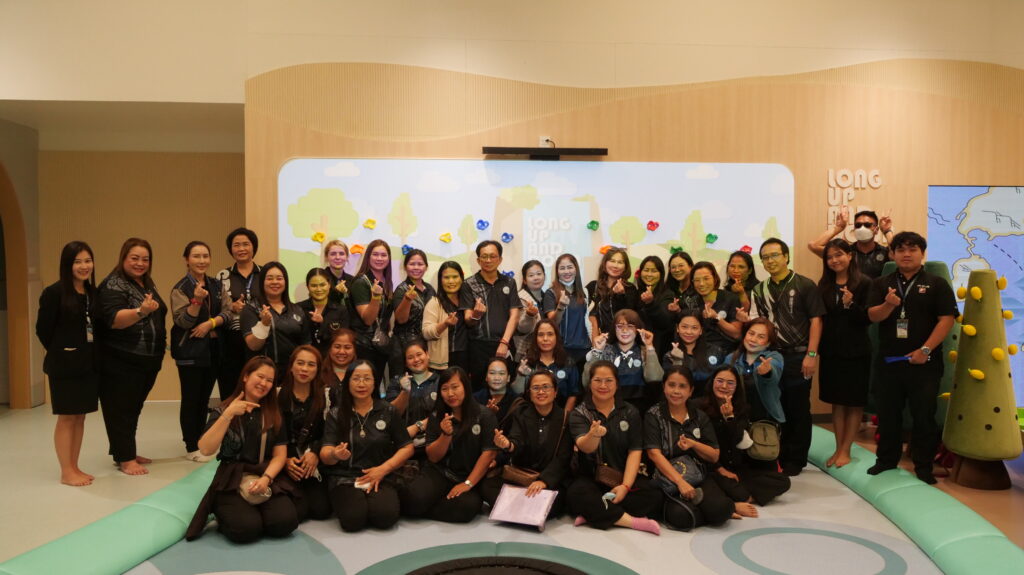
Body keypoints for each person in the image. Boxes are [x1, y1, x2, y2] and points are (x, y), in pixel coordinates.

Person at [866, 231, 956, 484]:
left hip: (925, 363)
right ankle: (886, 460)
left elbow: (946, 319)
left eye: (913, 249)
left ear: (922, 254)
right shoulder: (881, 283)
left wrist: (925, 350)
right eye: (901, 249)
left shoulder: (937, 284)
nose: (906, 254)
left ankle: (924, 467)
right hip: (889, 362)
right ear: (893, 253)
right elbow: (872, 316)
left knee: (924, 415)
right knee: (888, 414)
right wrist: (889, 304)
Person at [186, 357, 298, 543]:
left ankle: (255, 510)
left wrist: (266, 479)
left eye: (269, 380)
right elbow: (205, 449)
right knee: (246, 530)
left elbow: (280, 456)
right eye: (260, 376)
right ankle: (225, 509)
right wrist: (228, 415)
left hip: (263, 474)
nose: (264, 383)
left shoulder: (274, 413)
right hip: (231, 477)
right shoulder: (224, 409)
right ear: (246, 376)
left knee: (284, 523)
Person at [742, 237, 825, 476]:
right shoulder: (759, 290)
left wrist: (811, 354)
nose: (770, 261)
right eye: (765, 257)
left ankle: (796, 459)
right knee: (773, 406)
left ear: (786, 256)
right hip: (770, 357)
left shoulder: (805, 285)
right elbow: (758, 323)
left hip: (799, 356)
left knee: (798, 408)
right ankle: (775, 454)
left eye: (774, 255)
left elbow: (816, 321)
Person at [566, 361, 662, 535]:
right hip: (591, 479)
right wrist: (593, 435)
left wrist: (625, 486)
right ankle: (632, 522)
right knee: (575, 493)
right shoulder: (579, 413)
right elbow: (585, 447)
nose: (603, 386)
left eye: (609, 380)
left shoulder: (630, 412)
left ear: (617, 384)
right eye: (597, 380)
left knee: (654, 494)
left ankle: (595, 513)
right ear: (589, 383)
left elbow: (635, 451)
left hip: (621, 477)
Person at [97, 238, 167, 475]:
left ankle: (126, 451)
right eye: (134, 258)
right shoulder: (113, 284)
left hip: (147, 359)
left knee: (133, 408)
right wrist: (141, 311)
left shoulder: (145, 282)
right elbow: (114, 320)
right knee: (120, 410)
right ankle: (125, 459)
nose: (140, 263)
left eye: (145, 259)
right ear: (123, 258)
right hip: (121, 359)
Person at [320, 360, 414, 532]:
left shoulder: (388, 411)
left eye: (367, 378)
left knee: (385, 517)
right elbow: (325, 453)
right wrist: (335, 454)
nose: (361, 384)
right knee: (353, 520)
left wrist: (383, 469)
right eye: (356, 378)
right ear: (348, 382)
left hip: (381, 475)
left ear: (374, 382)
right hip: (345, 478)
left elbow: (407, 447)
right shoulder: (336, 414)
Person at [399, 367, 502, 522]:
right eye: (445, 389)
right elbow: (433, 457)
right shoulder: (437, 415)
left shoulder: (485, 415)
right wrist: (445, 435)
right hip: (439, 472)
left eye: (455, 387)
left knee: (468, 507)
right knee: (414, 498)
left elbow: (488, 454)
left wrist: (467, 483)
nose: (450, 393)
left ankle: (426, 507)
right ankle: (424, 504)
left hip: (468, 475)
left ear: (465, 387)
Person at [36, 241, 100, 486]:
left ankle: (75, 466)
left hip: (88, 363)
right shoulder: (54, 293)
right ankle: (66, 471)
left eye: (88, 260)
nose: (84, 266)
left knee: (80, 416)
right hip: (64, 365)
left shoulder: (92, 293)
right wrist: (64, 350)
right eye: (78, 262)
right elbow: (43, 330)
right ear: (67, 264)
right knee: (66, 417)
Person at [645, 366, 734, 531]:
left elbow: (714, 456)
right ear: (664, 387)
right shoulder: (654, 415)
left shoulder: (699, 416)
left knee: (722, 510)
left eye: (682, 386)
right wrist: (680, 482)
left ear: (691, 391)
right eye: (671, 385)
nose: (676, 391)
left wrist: (694, 444)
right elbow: (654, 454)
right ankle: (702, 510)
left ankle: (709, 509)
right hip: (668, 479)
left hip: (699, 475)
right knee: (682, 517)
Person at [698, 365, 790, 512]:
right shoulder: (698, 407)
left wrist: (730, 418)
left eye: (730, 383)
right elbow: (699, 447)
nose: (724, 386)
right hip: (712, 468)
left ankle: (742, 496)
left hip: (736, 468)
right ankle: (740, 496)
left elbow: (739, 441)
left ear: (737, 387)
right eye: (720, 381)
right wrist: (720, 469)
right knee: (724, 486)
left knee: (783, 481)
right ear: (712, 382)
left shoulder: (742, 408)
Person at [484, 370, 573, 517]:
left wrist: (543, 481)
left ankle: (515, 509)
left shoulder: (566, 418)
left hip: (549, 479)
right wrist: (508, 445)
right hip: (521, 476)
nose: (541, 392)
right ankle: (527, 511)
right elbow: (516, 440)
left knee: (558, 499)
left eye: (546, 387)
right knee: (487, 486)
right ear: (529, 392)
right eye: (535, 388)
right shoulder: (521, 413)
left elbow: (563, 457)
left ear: (555, 392)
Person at [170, 241, 227, 462]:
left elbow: (228, 312)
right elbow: (183, 321)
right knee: (191, 399)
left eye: (205, 256)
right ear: (187, 259)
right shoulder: (180, 288)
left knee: (204, 399)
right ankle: (191, 445)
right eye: (196, 256)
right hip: (190, 350)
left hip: (213, 349)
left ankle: (201, 442)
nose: (201, 260)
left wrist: (210, 323)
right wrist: (196, 301)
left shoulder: (216, 284)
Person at [817, 239, 872, 468]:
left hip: (856, 351)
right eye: (829, 257)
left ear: (850, 255)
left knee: (854, 402)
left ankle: (847, 450)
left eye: (838, 254)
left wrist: (851, 305)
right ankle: (838, 448)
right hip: (831, 351)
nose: (834, 260)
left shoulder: (865, 283)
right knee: (837, 402)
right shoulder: (824, 285)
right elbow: (821, 319)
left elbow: (868, 318)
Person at [278, 345, 332, 521]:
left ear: (317, 370)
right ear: (291, 366)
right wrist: (284, 460)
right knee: (298, 513)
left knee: (321, 510)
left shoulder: (326, 397)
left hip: (313, 462)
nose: (304, 369)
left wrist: (316, 452)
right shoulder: (278, 396)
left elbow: (331, 432)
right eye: (300, 363)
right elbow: (271, 436)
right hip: (286, 461)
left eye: (311, 365)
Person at [460, 241, 522, 390]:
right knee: (479, 389)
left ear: (500, 259)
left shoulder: (509, 282)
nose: (488, 260)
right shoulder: (469, 284)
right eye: (484, 256)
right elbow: (468, 319)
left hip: (504, 344)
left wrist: (504, 342)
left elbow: (515, 315)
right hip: (479, 347)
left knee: (506, 387)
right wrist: (475, 315)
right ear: (478, 260)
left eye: (493, 256)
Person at [585, 309, 664, 412]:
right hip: (609, 406)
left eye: (630, 326)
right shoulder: (605, 350)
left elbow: (655, 378)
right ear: (614, 328)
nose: (625, 330)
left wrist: (649, 346)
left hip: (640, 407)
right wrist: (597, 351)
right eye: (620, 326)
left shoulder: (644, 351)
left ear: (638, 329)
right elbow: (586, 381)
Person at [216, 227, 262, 402]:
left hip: (258, 338)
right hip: (231, 340)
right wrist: (231, 307)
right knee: (231, 390)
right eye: (236, 245)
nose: (241, 249)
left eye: (246, 244)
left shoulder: (264, 273)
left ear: (253, 247)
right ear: (230, 249)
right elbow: (216, 308)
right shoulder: (222, 275)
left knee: (257, 387)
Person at [241, 262, 311, 374]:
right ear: (262, 282)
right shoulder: (251, 308)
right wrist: (264, 325)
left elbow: (306, 346)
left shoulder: (297, 310)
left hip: (292, 373)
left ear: (285, 282)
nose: (275, 282)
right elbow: (253, 346)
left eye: (279, 278)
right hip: (262, 372)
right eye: (269, 278)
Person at [724, 319, 786, 427]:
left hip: (764, 421)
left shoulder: (774, 357)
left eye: (761, 337)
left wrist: (767, 372)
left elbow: (774, 374)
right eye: (751, 333)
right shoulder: (731, 358)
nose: (753, 339)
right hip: (735, 418)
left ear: (768, 342)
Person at [349, 239, 395, 381]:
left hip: (380, 345)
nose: (379, 258)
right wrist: (375, 296)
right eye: (375, 254)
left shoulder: (386, 281)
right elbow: (368, 319)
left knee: (376, 385)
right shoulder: (361, 282)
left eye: (383, 255)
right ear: (368, 257)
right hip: (364, 346)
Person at [385, 341, 440, 455]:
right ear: (405, 362)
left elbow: (445, 413)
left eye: (419, 354)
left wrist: (417, 427)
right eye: (410, 357)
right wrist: (405, 391)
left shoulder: (440, 381)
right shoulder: (397, 382)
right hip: (402, 445)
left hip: (434, 443)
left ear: (427, 354)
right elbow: (390, 414)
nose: (416, 360)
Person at [514, 319, 582, 412]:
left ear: (557, 337)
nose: (545, 339)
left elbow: (573, 394)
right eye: (541, 335)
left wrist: (565, 417)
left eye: (550, 334)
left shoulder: (568, 362)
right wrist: (521, 375)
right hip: (530, 415)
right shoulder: (526, 362)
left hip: (560, 414)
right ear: (535, 338)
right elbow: (517, 392)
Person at [808, 207, 894, 279]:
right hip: (848, 294)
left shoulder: (885, 252)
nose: (862, 228)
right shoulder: (845, 253)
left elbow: (896, 251)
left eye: (867, 225)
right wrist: (838, 227)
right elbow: (814, 246)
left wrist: (887, 231)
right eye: (858, 225)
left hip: (877, 294)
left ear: (876, 230)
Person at [390, 249, 435, 377]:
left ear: (426, 267)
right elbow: (401, 319)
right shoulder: (401, 289)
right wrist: (407, 299)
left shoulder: (430, 289)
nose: (416, 267)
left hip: (424, 346)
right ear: (405, 267)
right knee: (403, 383)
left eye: (420, 264)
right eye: (412, 264)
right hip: (403, 347)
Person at [543, 253, 591, 371]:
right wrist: (561, 306)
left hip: (584, 349)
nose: (566, 271)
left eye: (570, 267)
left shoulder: (584, 292)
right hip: (562, 349)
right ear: (557, 271)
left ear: (576, 269)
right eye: (562, 268)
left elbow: (589, 320)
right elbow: (552, 322)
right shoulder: (551, 293)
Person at [661, 312, 722, 396]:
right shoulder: (670, 355)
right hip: (680, 399)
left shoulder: (715, 351)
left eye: (694, 328)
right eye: (684, 327)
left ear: (701, 330)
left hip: (708, 400)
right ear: (677, 328)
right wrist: (677, 361)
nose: (689, 332)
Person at [422, 261, 468, 371]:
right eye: (446, 277)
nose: (451, 281)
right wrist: (445, 324)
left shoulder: (467, 301)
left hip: (466, 358)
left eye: (455, 277)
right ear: (440, 280)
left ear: (461, 278)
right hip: (442, 362)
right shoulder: (435, 303)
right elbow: (426, 333)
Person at [690, 261, 742, 355]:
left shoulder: (730, 299)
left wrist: (716, 317)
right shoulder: (691, 302)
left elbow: (736, 334)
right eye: (697, 280)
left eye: (706, 278)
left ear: (715, 279)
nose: (701, 284)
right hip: (699, 352)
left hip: (727, 353)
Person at [587, 248, 639, 340]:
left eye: (620, 262)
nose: (615, 265)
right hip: (596, 340)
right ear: (605, 263)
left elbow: (630, 318)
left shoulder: (630, 289)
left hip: (621, 340)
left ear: (625, 267)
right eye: (612, 261)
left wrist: (621, 296)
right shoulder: (593, 286)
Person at [297, 268, 348, 353]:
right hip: (306, 357)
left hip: (332, 357)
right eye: (314, 286)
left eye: (322, 285)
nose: (319, 289)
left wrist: (323, 324)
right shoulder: (298, 309)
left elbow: (342, 340)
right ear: (307, 287)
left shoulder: (341, 310)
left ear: (329, 285)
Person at [636, 255, 675, 357]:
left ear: (661, 274)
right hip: (636, 346)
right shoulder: (636, 292)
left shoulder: (668, 294)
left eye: (654, 271)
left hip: (658, 348)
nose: (649, 274)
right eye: (646, 270)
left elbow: (664, 322)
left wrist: (651, 303)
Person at [514, 260, 547, 363]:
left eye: (539, 274)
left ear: (544, 276)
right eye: (531, 275)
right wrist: (529, 315)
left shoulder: (548, 297)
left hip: (545, 350)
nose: (536, 278)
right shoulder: (520, 298)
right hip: (526, 354)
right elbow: (522, 328)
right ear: (524, 280)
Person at [474, 357, 521, 426]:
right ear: (486, 377)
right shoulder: (475, 399)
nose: (496, 378)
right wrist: (487, 414)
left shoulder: (516, 402)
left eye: (501, 373)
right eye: (492, 373)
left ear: (508, 378)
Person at [322, 328, 358, 406]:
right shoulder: (318, 374)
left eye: (347, 347)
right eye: (337, 347)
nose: (342, 352)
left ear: (354, 350)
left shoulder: (362, 374)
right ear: (330, 348)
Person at [665, 251, 702, 319]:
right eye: (673, 267)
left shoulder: (699, 289)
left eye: (681, 265)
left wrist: (679, 311)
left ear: (690, 266)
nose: (677, 270)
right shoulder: (667, 289)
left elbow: (699, 316)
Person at [321, 239, 354, 304]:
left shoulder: (353, 280)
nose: (337, 257)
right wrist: (335, 292)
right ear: (326, 257)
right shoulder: (319, 279)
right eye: (333, 254)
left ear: (347, 257)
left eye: (341, 254)